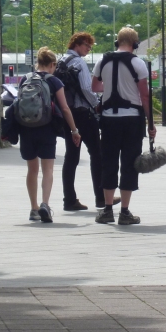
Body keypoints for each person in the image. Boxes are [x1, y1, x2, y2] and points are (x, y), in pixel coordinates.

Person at [91, 28, 155, 225]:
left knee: (108, 162)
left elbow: (94, 87)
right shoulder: (138, 63)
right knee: (129, 163)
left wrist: (111, 87)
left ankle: (108, 209)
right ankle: (125, 212)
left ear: (117, 42)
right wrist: (150, 123)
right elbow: (144, 95)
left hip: (109, 120)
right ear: (135, 44)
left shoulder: (102, 61)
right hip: (132, 120)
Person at [18, 47, 81, 223]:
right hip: (46, 129)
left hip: (26, 129)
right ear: (52, 64)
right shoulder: (54, 81)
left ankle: (34, 208)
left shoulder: (25, 78)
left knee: (32, 169)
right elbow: (65, 108)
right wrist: (74, 130)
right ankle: (45, 204)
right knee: (48, 169)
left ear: (37, 62)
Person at [58, 32, 120, 211]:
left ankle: (69, 199)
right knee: (97, 154)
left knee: (71, 157)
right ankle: (101, 197)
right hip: (84, 114)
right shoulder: (79, 63)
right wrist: (96, 104)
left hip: (68, 115)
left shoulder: (61, 60)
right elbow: (87, 87)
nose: (88, 49)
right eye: (87, 46)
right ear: (77, 44)